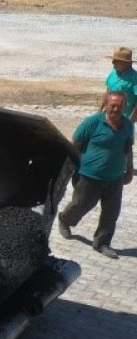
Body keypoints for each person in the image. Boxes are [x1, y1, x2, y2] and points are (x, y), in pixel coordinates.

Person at [58, 92, 134, 259]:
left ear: (124, 107)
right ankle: (64, 219)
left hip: (115, 178)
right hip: (88, 176)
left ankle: (102, 243)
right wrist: (69, 169)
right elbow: (74, 145)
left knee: (111, 213)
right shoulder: (92, 122)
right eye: (113, 105)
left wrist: (129, 170)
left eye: (120, 106)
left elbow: (128, 149)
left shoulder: (128, 125)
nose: (116, 108)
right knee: (80, 205)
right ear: (106, 105)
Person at [105, 46, 137, 121]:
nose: (113, 62)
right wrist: (101, 110)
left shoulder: (135, 78)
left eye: (116, 61)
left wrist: (131, 118)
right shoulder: (112, 74)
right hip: (110, 115)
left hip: (126, 117)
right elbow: (107, 93)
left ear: (126, 63)